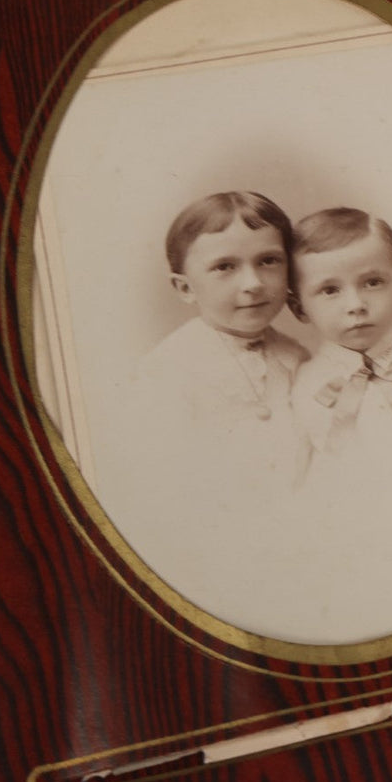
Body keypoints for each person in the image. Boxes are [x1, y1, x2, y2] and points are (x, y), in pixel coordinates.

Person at [98, 191, 310, 628]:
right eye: (225, 267)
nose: (252, 283)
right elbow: (158, 487)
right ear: (184, 287)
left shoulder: (297, 357)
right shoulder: (167, 370)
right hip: (214, 554)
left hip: (300, 544)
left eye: (268, 261)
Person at [287, 206, 392, 464]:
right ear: (299, 309)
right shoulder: (305, 385)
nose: (356, 305)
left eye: (373, 283)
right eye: (330, 290)